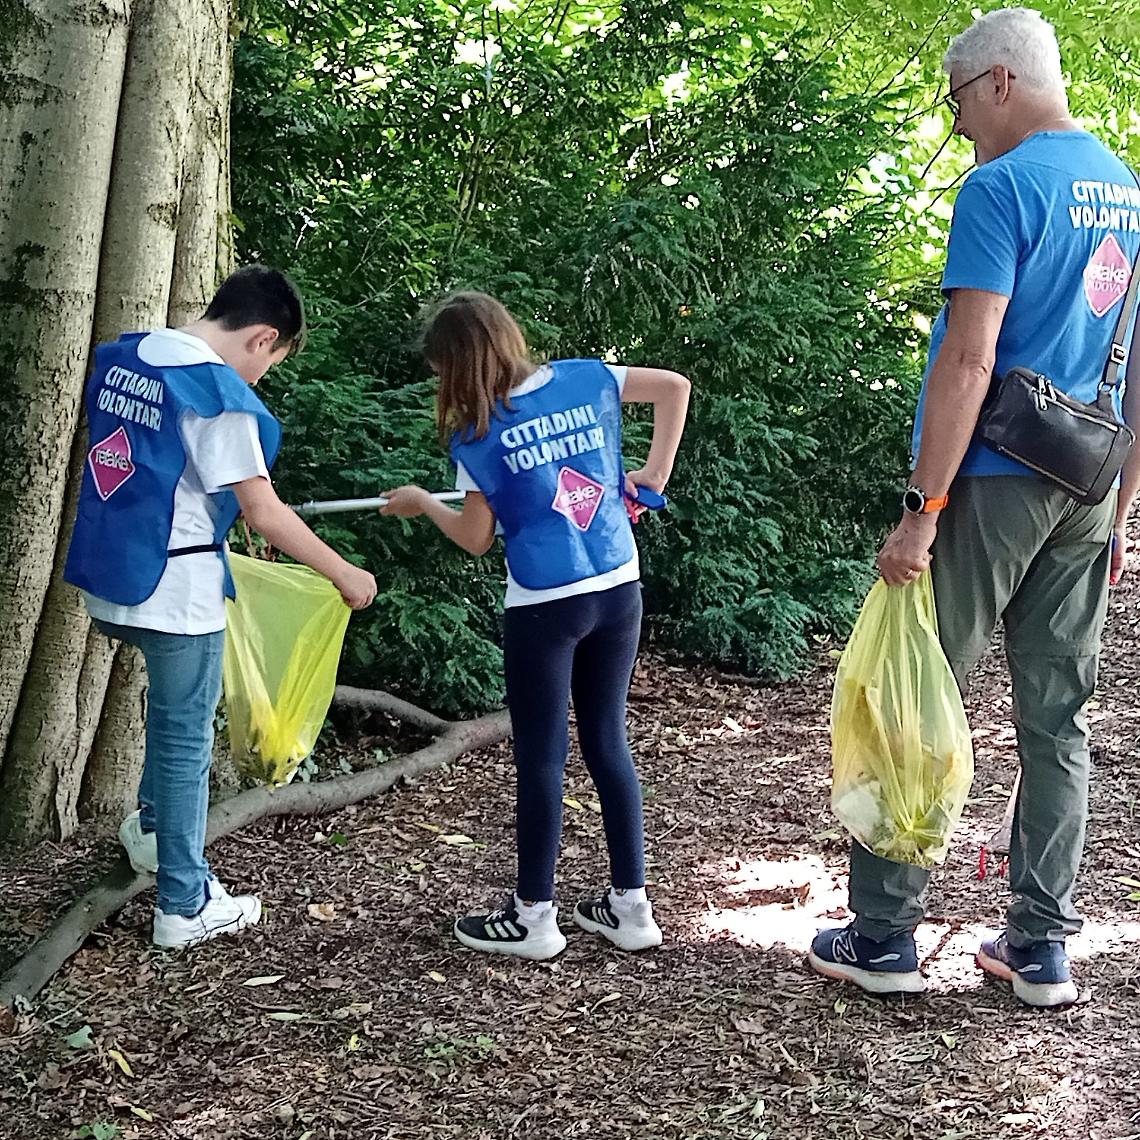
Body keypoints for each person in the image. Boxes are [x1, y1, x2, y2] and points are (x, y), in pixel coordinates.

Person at [809, 7, 1140, 1008]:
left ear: (1000, 81)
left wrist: (923, 507)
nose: (956, 123)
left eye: (957, 100)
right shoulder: (1128, 189)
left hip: (992, 477)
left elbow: (969, 357)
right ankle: (1040, 947)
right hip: (1087, 482)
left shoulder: (1001, 187)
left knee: (918, 689)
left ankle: (883, 935)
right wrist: (1123, 510)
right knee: (1058, 719)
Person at [64, 266, 377, 949]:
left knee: (172, 721)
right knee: (185, 741)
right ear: (263, 338)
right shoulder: (218, 396)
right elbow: (264, 513)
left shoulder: (132, 354)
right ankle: (185, 902)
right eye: (271, 362)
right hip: (176, 593)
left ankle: (153, 831)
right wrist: (344, 573)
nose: (261, 377)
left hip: (109, 577)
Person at [380, 291, 690, 960]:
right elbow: (674, 387)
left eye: (443, 370)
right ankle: (632, 909)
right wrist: (653, 475)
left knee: (542, 757)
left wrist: (421, 504)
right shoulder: (586, 379)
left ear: (460, 363)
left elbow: (474, 537)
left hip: (545, 606)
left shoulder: (478, 435)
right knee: (607, 740)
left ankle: (534, 918)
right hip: (618, 586)